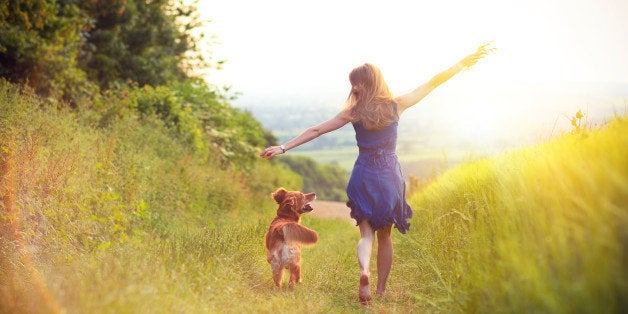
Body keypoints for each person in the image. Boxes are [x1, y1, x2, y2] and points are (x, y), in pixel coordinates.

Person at [259, 44, 490, 303]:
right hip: (389, 176)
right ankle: (380, 289)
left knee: (366, 234)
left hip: (363, 174)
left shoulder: (354, 112)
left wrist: (282, 147)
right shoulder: (396, 105)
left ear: (356, 85)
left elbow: (316, 130)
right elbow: (431, 83)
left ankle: (364, 271)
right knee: (386, 236)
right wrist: (463, 63)